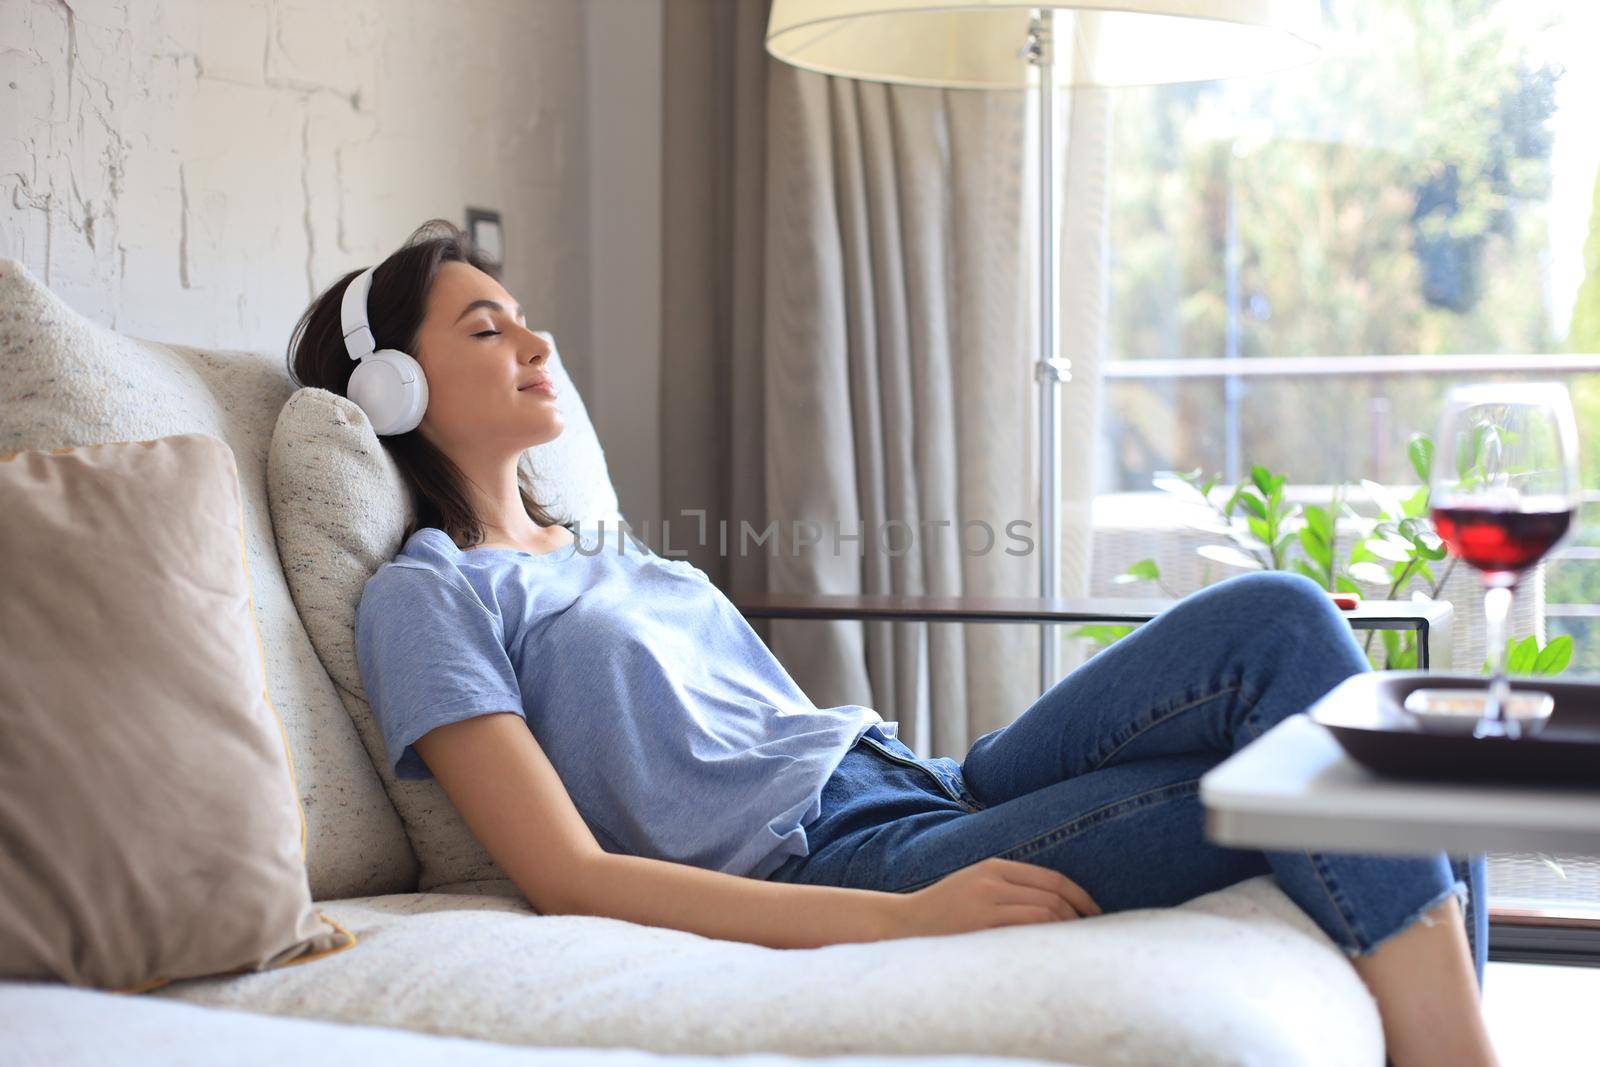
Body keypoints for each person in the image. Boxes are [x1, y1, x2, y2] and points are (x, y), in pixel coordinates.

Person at [287, 220, 1500, 1067]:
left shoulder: (595, 545)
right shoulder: (429, 595)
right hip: (838, 853)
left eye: (525, 319)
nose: (537, 345)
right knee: (1371, 778)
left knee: (1286, 625)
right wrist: (905, 922)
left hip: (928, 774)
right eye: (487, 329)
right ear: (391, 386)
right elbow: (565, 876)